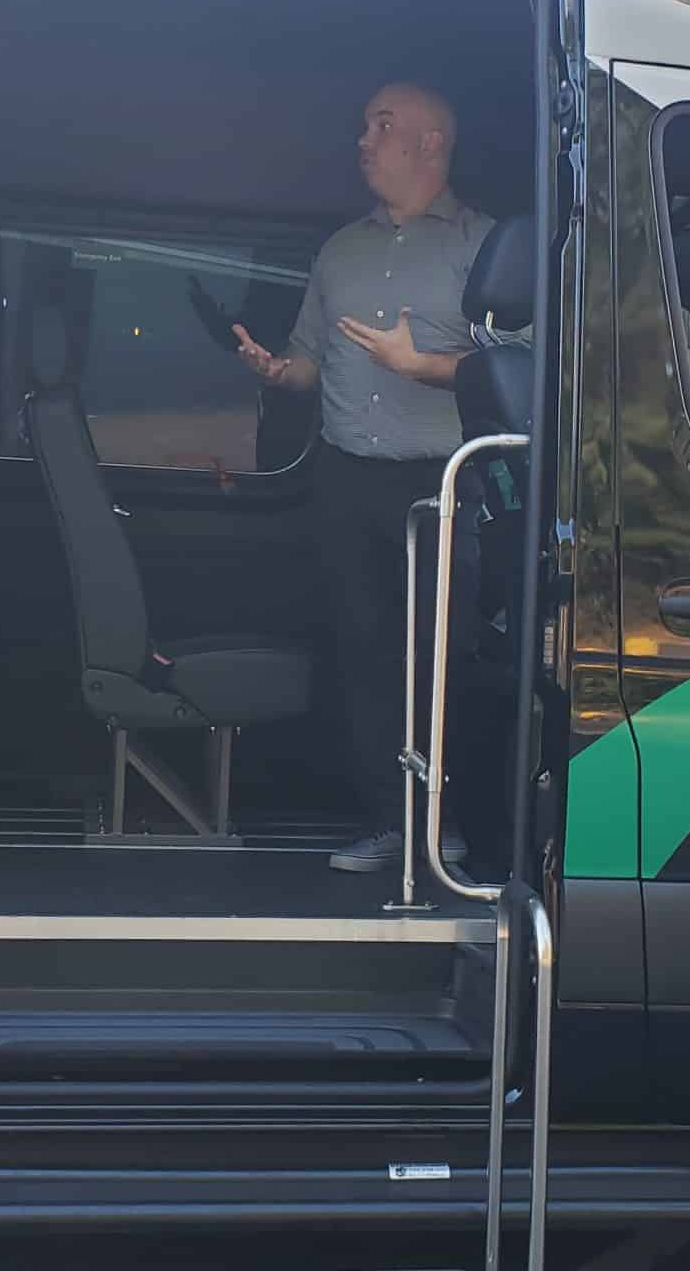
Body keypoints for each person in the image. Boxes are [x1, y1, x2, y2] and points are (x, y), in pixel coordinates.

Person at [232, 82, 495, 874]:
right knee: (361, 653)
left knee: (444, 659)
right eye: (365, 126)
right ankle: (386, 822)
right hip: (346, 478)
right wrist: (278, 372)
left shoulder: (485, 246)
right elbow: (310, 361)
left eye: (383, 126)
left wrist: (423, 365)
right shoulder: (339, 250)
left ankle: (446, 827)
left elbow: (518, 366)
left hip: (442, 482)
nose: (364, 141)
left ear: (431, 144)